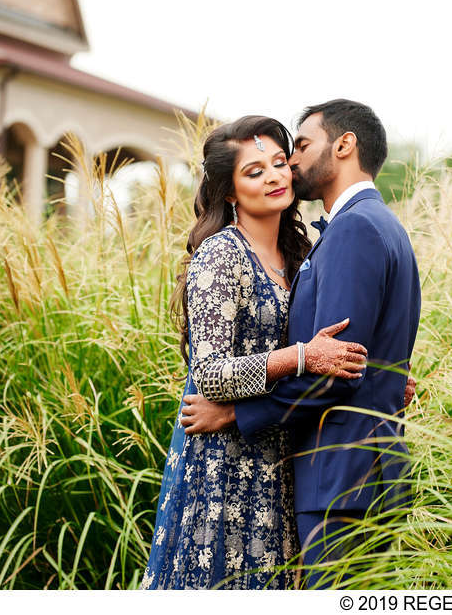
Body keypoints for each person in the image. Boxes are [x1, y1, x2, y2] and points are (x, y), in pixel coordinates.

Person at [181, 99, 422, 588]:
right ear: (229, 190)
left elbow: (338, 369)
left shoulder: (350, 229)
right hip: (304, 474)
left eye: (298, 148)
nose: (287, 166)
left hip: (341, 477)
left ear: (344, 144)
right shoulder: (374, 226)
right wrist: (376, 376)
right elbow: (346, 359)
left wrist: (233, 413)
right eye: (257, 169)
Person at [141, 115, 372, 590]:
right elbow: (209, 374)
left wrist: (380, 376)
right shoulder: (221, 254)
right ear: (229, 191)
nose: (274, 177)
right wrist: (301, 357)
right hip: (225, 468)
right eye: (254, 171)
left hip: (282, 456)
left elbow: (336, 345)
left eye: (279, 163)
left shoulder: (300, 255)